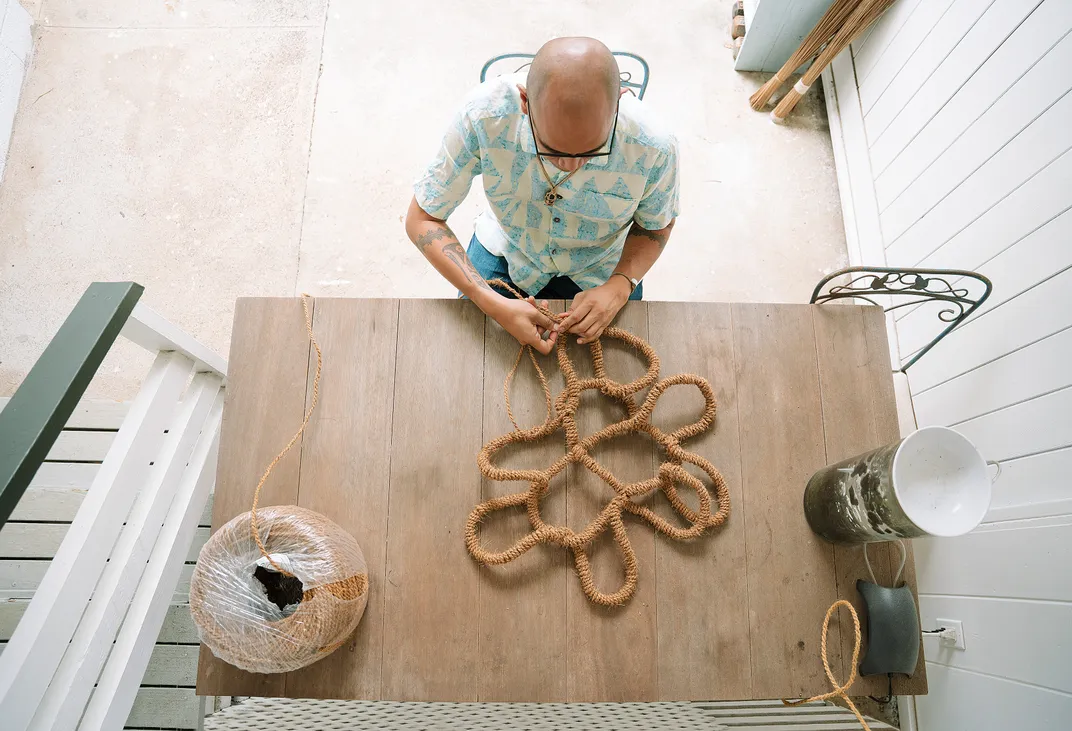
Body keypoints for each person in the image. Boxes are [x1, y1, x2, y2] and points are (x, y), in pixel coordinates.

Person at [405, 37, 679, 354]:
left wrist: (619, 286)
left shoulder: (654, 145)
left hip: (605, 266)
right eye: (550, 150)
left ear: (620, 103)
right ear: (524, 102)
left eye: (591, 151)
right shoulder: (482, 116)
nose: (569, 166)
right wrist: (489, 301)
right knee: (469, 353)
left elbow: (657, 225)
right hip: (506, 249)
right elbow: (423, 218)